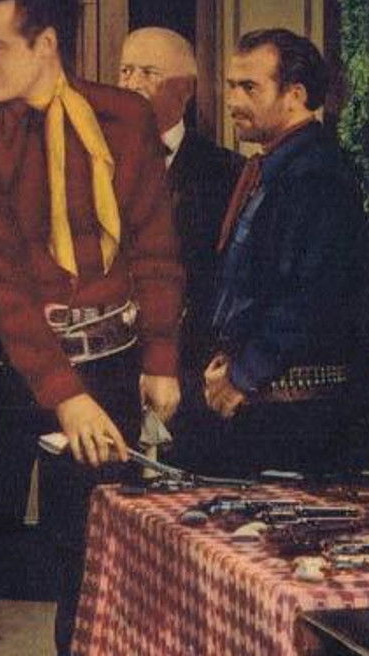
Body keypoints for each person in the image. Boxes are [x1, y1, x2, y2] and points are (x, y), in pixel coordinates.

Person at [0, 0, 183, 656]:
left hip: (107, 362)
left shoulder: (125, 116)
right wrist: (66, 397)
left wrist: (160, 357)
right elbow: (2, 283)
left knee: (91, 570)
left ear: (45, 44)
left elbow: (155, 243)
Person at [203, 28, 364, 476]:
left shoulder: (318, 175)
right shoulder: (276, 166)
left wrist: (242, 377)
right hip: (264, 404)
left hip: (296, 415)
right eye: (231, 86)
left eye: (249, 87)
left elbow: (312, 297)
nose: (233, 100)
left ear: (295, 95)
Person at [117, 27, 245, 468]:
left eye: (148, 73)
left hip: (189, 378)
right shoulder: (88, 162)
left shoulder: (228, 173)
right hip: (106, 374)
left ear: (185, 90)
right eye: (125, 71)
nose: (131, 84)